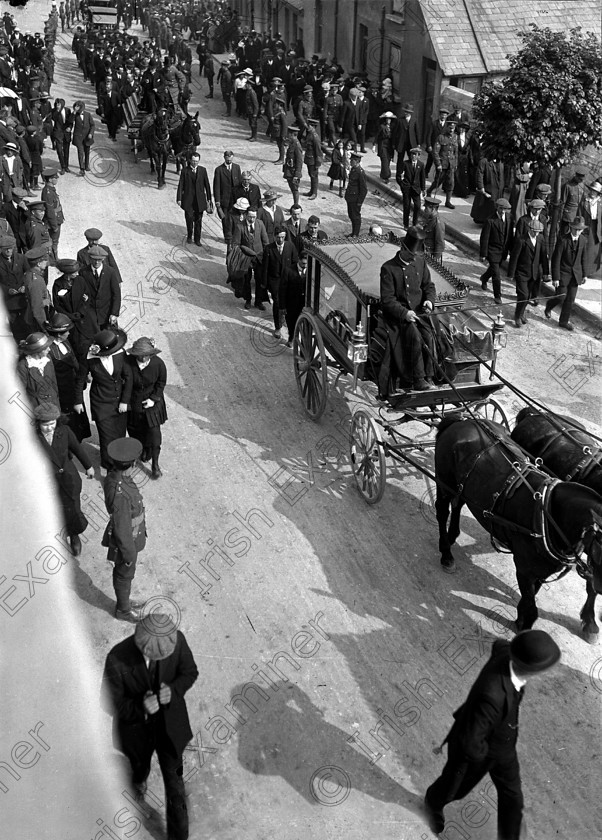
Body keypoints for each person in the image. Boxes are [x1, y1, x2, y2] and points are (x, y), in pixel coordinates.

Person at [424, 629, 561, 840]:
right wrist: (486, 756)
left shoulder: (506, 653)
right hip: (478, 749)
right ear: (530, 670)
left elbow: (499, 643)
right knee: (455, 788)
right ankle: (433, 802)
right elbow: (470, 742)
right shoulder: (492, 696)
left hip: (505, 748)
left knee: (513, 798)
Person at [102, 613, 199, 836]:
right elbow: (108, 702)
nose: (158, 659)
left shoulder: (177, 640)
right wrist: (141, 707)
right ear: (141, 646)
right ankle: (138, 782)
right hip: (136, 731)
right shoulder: (117, 658)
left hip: (170, 731)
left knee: (176, 788)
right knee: (139, 767)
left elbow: (189, 672)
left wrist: (173, 691)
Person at [378, 226, 437, 394]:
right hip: (399, 317)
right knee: (415, 337)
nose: (413, 259)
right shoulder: (388, 268)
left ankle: (430, 376)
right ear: (403, 250)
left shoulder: (420, 262)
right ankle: (417, 379)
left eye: (416, 256)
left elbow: (429, 286)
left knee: (429, 336)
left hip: (419, 313)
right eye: (411, 255)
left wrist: (429, 302)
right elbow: (387, 300)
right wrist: (405, 313)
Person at [34, 402, 94, 556]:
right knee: (53, 511)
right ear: (38, 423)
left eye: (52, 423)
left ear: (57, 421)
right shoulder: (32, 438)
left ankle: (74, 535)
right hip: (47, 483)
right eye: (45, 424)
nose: (49, 428)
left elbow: (77, 449)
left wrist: (88, 466)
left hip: (69, 479)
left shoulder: (65, 431)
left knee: (72, 509)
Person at [101, 436, 147, 621]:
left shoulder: (117, 477)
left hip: (131, 533)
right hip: (127, 539)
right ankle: (123, 609)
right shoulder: (120, 491)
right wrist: (128, 553)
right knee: (124, 573)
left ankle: (125, 601)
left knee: (125, 573)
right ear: (133, 463)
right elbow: (121, 528)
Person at [74, 328, 129, 470]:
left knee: (119, 432)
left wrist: (124, 401)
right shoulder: (89, 359)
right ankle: (109, 464)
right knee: (106, 435)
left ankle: (119, 456)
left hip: (119, 402)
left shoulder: (121, 355)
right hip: (101, 402)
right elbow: (80, 380)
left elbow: (128, 378)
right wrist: (78, 401)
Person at [44, 311, 91, 442]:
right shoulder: (49, 350)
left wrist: (83, 374)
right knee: (70, 420)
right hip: (63, 392)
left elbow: (73, 359)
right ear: (59, 334)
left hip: (73, 387)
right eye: (67, 331)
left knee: (79, 416)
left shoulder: (65, 342)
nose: (69, 333)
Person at [125, 337, 168, 479]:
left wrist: (153, 399)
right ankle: (140, 451)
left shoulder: (158, 364)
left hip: (152, 405)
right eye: (140, 355)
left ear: (151, 354)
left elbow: (161, 383)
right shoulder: (129, 364)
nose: (143, 358)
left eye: (146, 355)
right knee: (135, 431)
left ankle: (155, 464)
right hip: (134, 404)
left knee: (154, 436)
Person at [545, 216, 589, 331]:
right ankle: (549, 305)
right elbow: (556, 260)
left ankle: (563, 321)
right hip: (563, 274)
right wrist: (555, 278)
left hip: (576, 275)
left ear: (582, 230)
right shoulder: (563, 240)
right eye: (575, 229)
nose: (577, 232)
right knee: (561, 297)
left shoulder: (583, 240)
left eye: (580, 230)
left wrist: (584, 274)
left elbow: (584, 258)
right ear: (571, 227)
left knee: (570, 299)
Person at [507, 218, 550, 328]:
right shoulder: (521, 240)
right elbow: (514, 258)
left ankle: (521, 314)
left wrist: (546, 272)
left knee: (527, 296)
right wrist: (511, 273)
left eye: (538, 231)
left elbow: (543, 256)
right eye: (534, 231)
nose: (536, 233)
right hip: (522, 273)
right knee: (524, 295)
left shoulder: (540, 239)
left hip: (534, 273)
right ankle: (517, 316)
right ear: (529, 229)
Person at [261, 225, 298, 339]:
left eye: (283, 237)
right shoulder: (269, 249)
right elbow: (265, 268)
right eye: (278, 237)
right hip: (275, 280)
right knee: (277, 302)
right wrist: (264, 283)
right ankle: (277, 327)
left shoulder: (290, 246)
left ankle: (286, 321)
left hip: (287, 280)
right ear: (274, 237)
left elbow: (295, 263)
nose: (280, 240)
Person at [232, 206, 269, 310]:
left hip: (259, 257)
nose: (251, 219)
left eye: (254, 217)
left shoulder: (260, 224)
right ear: (245, 215)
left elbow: (265, 242)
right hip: (246, 258)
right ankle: (248, 300)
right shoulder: (240, 226)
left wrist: (266, 256)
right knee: (246, 280)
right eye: (249, 217)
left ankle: (258, 301)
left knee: (259, 280)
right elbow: (235, 244)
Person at [79, 245, 121, 331]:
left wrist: (114, 313)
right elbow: (81, 290)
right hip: (91, 315)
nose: (97, 262)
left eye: (99, 260)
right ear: (90, 259)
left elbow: (116, 294)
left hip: (107, 314)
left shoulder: (110, 272)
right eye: (94, 260)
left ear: (103, 259)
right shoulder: (83, 272)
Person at [176, 151, 213, 246]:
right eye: (193, 161)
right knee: (189, 219)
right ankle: (189, 236)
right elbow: (181, 185)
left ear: (199, 161)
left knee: (198, 220)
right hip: (188, 200)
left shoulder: (203, 170)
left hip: (199, 200)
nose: (194, 163)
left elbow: (207, 185)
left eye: (196, 161)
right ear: (190, 160)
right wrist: (179, 199)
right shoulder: (185, 171)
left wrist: (209, 199)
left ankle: (197, 239)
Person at [479, 198, 512, 305]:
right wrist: (483, 254)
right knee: (496, 274)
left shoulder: (509, 218)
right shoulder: (490, 220)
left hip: (503, 251)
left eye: (505, 209)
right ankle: (497, 295)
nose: (502, 211)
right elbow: (484, 238)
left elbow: (510, 235)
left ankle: (484, 278)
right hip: (492, 251)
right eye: (501, 208)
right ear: (496, 208)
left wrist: (511, 250)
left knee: (493, 270)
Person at [16, 331, 60, 409]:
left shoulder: (47, 359)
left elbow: (54, 384)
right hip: (36, 408)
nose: (49, 349)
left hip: (53, 405)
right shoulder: (23, 366)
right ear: (37, 351)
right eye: (46, 348)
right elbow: (21, 393)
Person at [280, 252, 307, 347]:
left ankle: (304, 344)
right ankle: (291, 338)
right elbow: (282, 289)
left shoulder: (310, 271)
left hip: (304, 304)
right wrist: (282, 306)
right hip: (291, 303)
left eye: (306, 264)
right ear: (299, 260)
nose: (305, 266)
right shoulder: (288, 270)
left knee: (305, 325)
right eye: (303, 264)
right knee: (291, 322)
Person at [213, 150, 242, 239]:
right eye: (227, 158)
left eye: (230, 158)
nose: (229, 160)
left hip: (235, 200)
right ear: (224, 158)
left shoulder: (237, 168)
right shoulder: (219, 170)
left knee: (235, 218)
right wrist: (217, 201)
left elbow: (240, 183)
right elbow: (216, 186)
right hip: (224, 199)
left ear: (233, 157)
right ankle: (227, 236)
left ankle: (234, 235)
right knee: (225, 219)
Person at [431, 119, 458, 209]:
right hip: (442, 164)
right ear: (447, 127)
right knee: (438, 182)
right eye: (450, 128)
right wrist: (438, 164)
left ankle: (448, 201)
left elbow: (456, 152)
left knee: (451, 183)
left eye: (453, 128)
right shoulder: (441, 137)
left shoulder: (455, 137)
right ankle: (429, 191)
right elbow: (435, 152)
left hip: (451, 165)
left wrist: (455, 163)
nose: (451, 130)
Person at [23, 244, 51, 330]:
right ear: (39, 264)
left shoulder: (30, 274)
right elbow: (37, 308)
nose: (46, 262)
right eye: (45, 260)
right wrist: (44, 328)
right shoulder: (36, 281)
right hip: (37, 322)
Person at [41, 166, 64, 262]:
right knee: (53, 242)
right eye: (55, 177)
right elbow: (50, 210)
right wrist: (54, 225)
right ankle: (54, 260)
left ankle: (54, 259)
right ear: (50, 179)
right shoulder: (48, 192)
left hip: (56, 219)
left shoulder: (50, 189)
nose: (57, 179)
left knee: (54, 241)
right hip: (53, 221)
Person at [398, 147, 425, 229]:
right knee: (407, 206)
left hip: (416, 189)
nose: (413, 156)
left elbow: (422, 178)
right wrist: (402, 185)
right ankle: (406, 224)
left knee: (417, 206)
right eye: (412, 154)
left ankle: (414, 223)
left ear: (418, 156)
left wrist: (423, 189)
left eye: (415, 154)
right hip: (407, 189)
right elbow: (399, 175)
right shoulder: (405, 163)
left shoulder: (421, 165)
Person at [345, 152, 367, 238]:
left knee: (356, 217)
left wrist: (360, 202)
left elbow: (364, 189)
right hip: (350, 197)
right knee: (351, 215)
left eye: (352, 160)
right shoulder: (353, 169)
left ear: (356, 161)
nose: (350, 161)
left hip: (355, 199)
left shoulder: (360, 172)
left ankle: (355, 234)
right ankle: (353, 232)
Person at [560, 166, 587, 235]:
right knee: (564, 234)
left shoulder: (582, 185)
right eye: (580, 179)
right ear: (576, 177)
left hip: (577, 215)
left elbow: (582, 201)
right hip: (567, 215)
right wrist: (560, 215)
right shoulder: (567, 186)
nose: (581, 181)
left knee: (575, 235)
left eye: (582, 180)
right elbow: (562, 201)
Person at [71, 100, 95, 176]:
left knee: (87, 152)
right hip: (78, 137)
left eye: (78, 107)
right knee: (80, 152)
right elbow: (70, 121)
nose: (77, 108)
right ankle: (82, 169)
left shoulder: (88, 115)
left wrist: (91, 133)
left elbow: (92, 125)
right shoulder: (74, 115)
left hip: (87, 137)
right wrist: (74, 112)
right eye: (76, 106)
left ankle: (86, 165)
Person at [372, 111, 396, 183]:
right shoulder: (382, 127)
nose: (388, 120)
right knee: (384, 160)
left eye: (390, 119)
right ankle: (386, 176)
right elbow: (377, 136)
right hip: (383, 145)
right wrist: (374, 145)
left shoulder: (392, 127)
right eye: (387, 119)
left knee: (387, 160)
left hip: (389, 146)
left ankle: (383, 174)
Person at [282, 123, 303, 205]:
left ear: (292, 135)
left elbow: (299, 161)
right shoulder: (292, 143)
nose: (288, 136)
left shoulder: (297, 145)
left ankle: (296, 206)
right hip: (290, 170)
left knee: (295, 189)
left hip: (293, 172)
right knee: (292, 189)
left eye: (289, 134)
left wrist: (296, 175)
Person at [303, 117, 322, 201]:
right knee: (311, 175)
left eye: (310, 125)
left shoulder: (315, 137)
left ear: (313, 127)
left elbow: (318, 151)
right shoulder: (310, 134)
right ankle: (311, 191)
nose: (308, 126)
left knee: (314, 176)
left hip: (313, 160)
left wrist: (318, 163)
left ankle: (314, 193)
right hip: (309, 158)